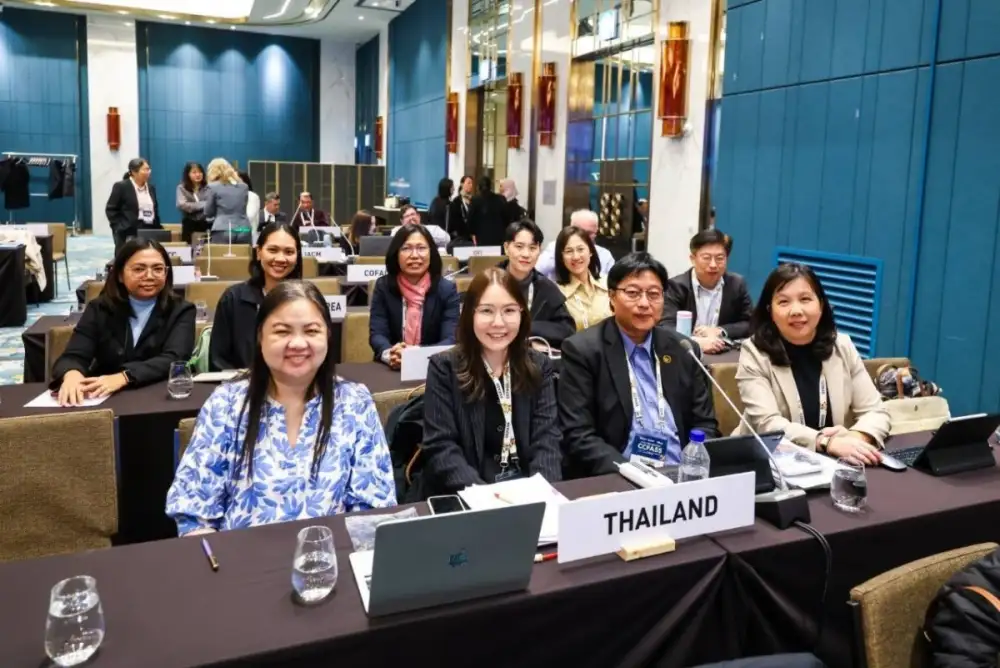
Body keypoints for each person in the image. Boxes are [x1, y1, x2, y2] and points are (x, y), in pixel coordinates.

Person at [166, 280, 396, 536]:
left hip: (330, 563)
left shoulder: (355, 402)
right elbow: (194, 512)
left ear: (328, 336)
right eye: (282, 331)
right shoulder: (226, 404)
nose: (298, 343)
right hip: (240, 565)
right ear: (260, 336)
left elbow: (374, 507)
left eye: (311, 331)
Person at [558, 252, 719, 475]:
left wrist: (691, 467)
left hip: (680, 474)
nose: (644, 303)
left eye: (654, 294)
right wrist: (633, 473)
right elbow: (578, 435)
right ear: (612, 297)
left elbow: (705, 424)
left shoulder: (683, 349)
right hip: (619, 476)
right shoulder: (583, 351)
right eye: (633, 293)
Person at [420, 268, 562, 495]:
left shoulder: (540, 365)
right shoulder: (444, 367)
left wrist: (541, 493)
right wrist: (484, 497)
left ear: (522, 314)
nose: (498, 323)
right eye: (487, 311)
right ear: (470, 315)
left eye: (509, 311)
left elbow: (547, 440)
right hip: (469, 495)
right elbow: (441, 448)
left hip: (527, 493)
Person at [735, 263, 889, 465]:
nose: (796, 311)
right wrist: (825, 442)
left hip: (832, 463)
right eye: (783, 302)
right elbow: (768, 424)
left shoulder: (842, 346)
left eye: (805, 299)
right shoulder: (754, 352)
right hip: (768, 462)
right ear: (770, 311)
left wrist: (856, 437)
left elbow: (875, 411)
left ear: (821, 306)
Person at [52, 238, 195, 406]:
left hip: (158, 397)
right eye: (139, 269)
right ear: (120, 275)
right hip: (104, 398)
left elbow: (174, 358)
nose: (149, 276)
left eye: (157, 269)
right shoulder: (100, 308)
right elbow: (74, 356)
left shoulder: (181, 310)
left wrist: (125, 377)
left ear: (166, 273)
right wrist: (72, 375)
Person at [210, 221, 302, 371]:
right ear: (259, 252)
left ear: (297, 257)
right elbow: (218, 361)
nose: (280, 258)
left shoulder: (306, 301)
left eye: (289, 252)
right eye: (273, 250)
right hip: (242, 387)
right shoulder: (233, 299)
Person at [369, 223, 461, 369]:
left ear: (432, 253)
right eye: (406, 248)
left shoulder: (446, 290)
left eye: (421, 248)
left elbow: (450, 339)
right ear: (396, 254)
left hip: (434, 368)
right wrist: (390, 354)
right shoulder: (383, 286)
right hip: (390, 367)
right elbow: (377, 334)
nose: (414, 255)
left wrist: (417, 355)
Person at [661, 229, 754, 353]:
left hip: (724, 356)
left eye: (720, 258)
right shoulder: (676, 286)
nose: (713, 265)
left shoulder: (737, 284)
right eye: (706, 258)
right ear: (693, 259)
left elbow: (751, 323)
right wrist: (696, 342)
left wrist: (720, 330)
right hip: (685, 354)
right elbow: (665, 327)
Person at [500, 219, 576, 348]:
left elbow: (566, 329)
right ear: (506, 248)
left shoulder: (546, 287)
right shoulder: (489, 282)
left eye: (532, 248)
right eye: (519, 247)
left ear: (539, 250)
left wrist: (525, 327)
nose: (526, 254)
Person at [553, 226, 612, 331]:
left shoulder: (608, 285)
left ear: (590, 251)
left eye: (580, 249)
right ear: (561, 257)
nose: (576, 256)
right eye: (569, 251)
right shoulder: (556, 293)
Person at [536, 209, 615, 280]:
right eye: (579, 232)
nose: (584, 237)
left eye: (589, 233)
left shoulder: (605, 256)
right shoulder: (555, 248)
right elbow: (536, 272)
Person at [106, 157, 161, 254]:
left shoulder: (151, 188)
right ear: (134, 172)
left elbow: (155, 209)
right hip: (129, 230)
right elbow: (111, 209)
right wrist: (119, 226)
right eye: (145, 169)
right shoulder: (121, 186)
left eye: (149, 169)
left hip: (149, 228)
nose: (148, 172)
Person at [203, 158, 251, 245]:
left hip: (223, 229)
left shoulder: (213, 187)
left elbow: (208, 212)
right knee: (242, 257)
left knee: (222, 258)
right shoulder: (244, 187)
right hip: (244, 229)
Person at [468, 176, 509, 246]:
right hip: (498, 236)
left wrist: (472, 233)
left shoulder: (475, 200)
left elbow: (470, 219)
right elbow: (506, 218)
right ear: (490, 186)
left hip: (481, 236)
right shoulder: (501, 199)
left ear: (478, 187)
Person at [175, 161, 208, 243]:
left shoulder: (208, 187)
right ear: (187, 174)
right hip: (189, 223)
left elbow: (212, 203)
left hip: (206, 223)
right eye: (194, 172)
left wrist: (193, 206)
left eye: (200, 172)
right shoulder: (181, 188)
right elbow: (182, 205)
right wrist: (203, 204)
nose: (198, 174)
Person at [447, 175, 474, 242]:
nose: (471, 185)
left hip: (472, 234)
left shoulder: (474, 200)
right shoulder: (456, 201)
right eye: (468, 183)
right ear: (462, 184)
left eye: (472, 183)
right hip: (461, 235)